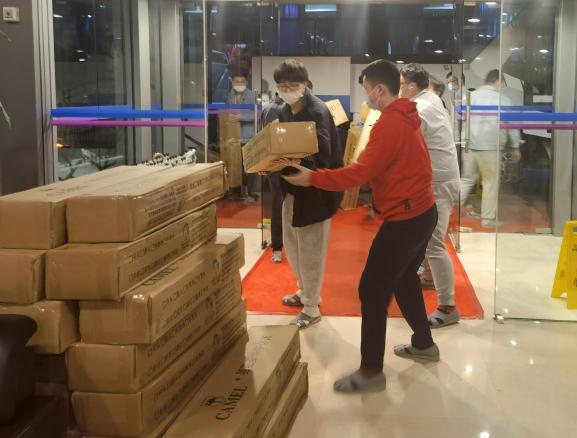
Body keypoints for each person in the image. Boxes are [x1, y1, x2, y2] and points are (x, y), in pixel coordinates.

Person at [283, 59, 439, 393]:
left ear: (380, 90)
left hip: (406, 219)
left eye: (367, 90)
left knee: (372, 289)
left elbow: (360, 173)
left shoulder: (390, 124)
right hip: (423, 212)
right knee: (404, 280)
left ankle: (371, 372)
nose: (366, 97)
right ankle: (424, 344)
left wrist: (312, 178)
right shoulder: (407, 115)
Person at [275, 59, 343, 329]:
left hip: (316, 190)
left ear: (304, 84)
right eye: (282, 85)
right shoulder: (284, 110)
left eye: (292, 84)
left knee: (311, 250)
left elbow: (324, 154)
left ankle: (312, 306)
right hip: (292, 187)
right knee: (293, 245)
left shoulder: (317, 110)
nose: (287, 89)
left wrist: (298, 163)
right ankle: (304, 291)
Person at [400, 63, 461, 328]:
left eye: (401, 85)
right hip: (438, 178)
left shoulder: (421, 108)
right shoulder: (431, 100)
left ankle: (448, 306)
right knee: (425, 237)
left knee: (435, 243)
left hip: (438, 181)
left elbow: (403, 143)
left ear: (411, 86)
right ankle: (427, 276)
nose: (399, 90)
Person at [460, 69, 521, 227]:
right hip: (490, 148)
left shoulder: (470, 97)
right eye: (502, 84)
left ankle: (450, 211)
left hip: (469, 145)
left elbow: (462, 120)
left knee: (467, 179)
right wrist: (515, 146)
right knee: (490, 183)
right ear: (497, 82)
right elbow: (512, 125)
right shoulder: (504, 100)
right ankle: (487, 219)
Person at [262, 93, 286, 264]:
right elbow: (267, 139)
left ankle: (293, 244)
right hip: (277, 165)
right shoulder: (273, 110)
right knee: (279, 205)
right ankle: (277, 247)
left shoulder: (301, 109)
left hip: (296, 163)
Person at [227, 70, 257, 201]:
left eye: (242, 82)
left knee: (248, 165)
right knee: (235, 165)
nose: (239, 84)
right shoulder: (230, 95)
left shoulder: (250, 95)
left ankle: (249, 192)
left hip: (247, 136)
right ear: (232, 82)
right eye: (237, 81)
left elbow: (255, 115)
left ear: (246, 82)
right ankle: (237, 191)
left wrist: (241, 117)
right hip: (233, 136)